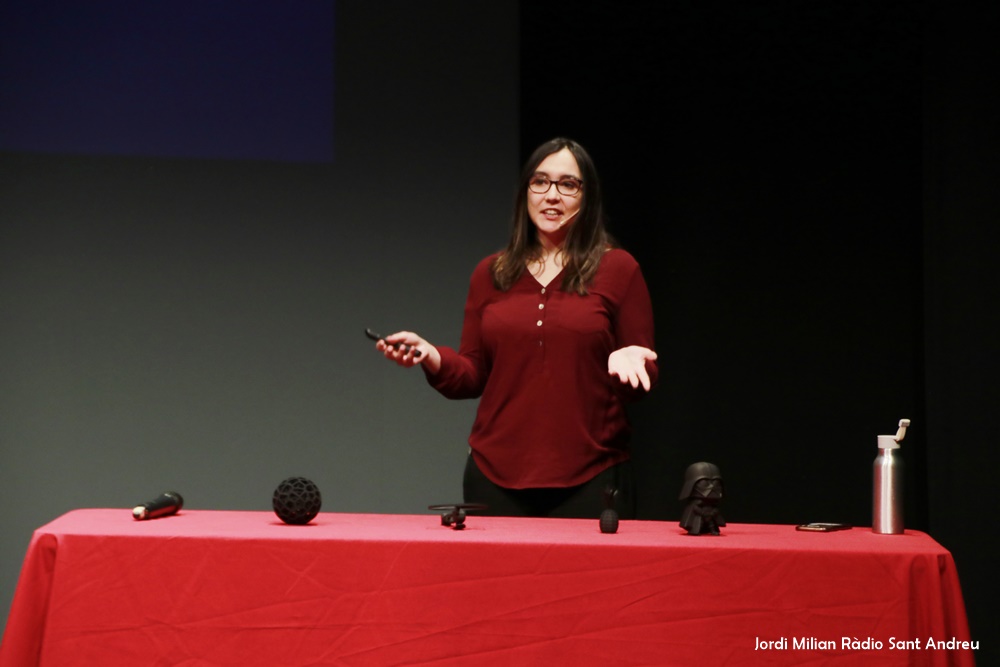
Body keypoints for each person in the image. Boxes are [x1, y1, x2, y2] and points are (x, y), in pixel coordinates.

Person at [375, 137, 657, 519]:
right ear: (526, 193)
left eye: (567, 184)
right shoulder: (492, 273)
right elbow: (473, 375)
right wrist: (431, 355)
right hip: (494, 476)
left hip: (594, 478)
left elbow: (643, 374)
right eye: (540, 182)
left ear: (587, 196)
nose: (551, 195)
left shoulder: (619, 269)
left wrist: (627, 365)